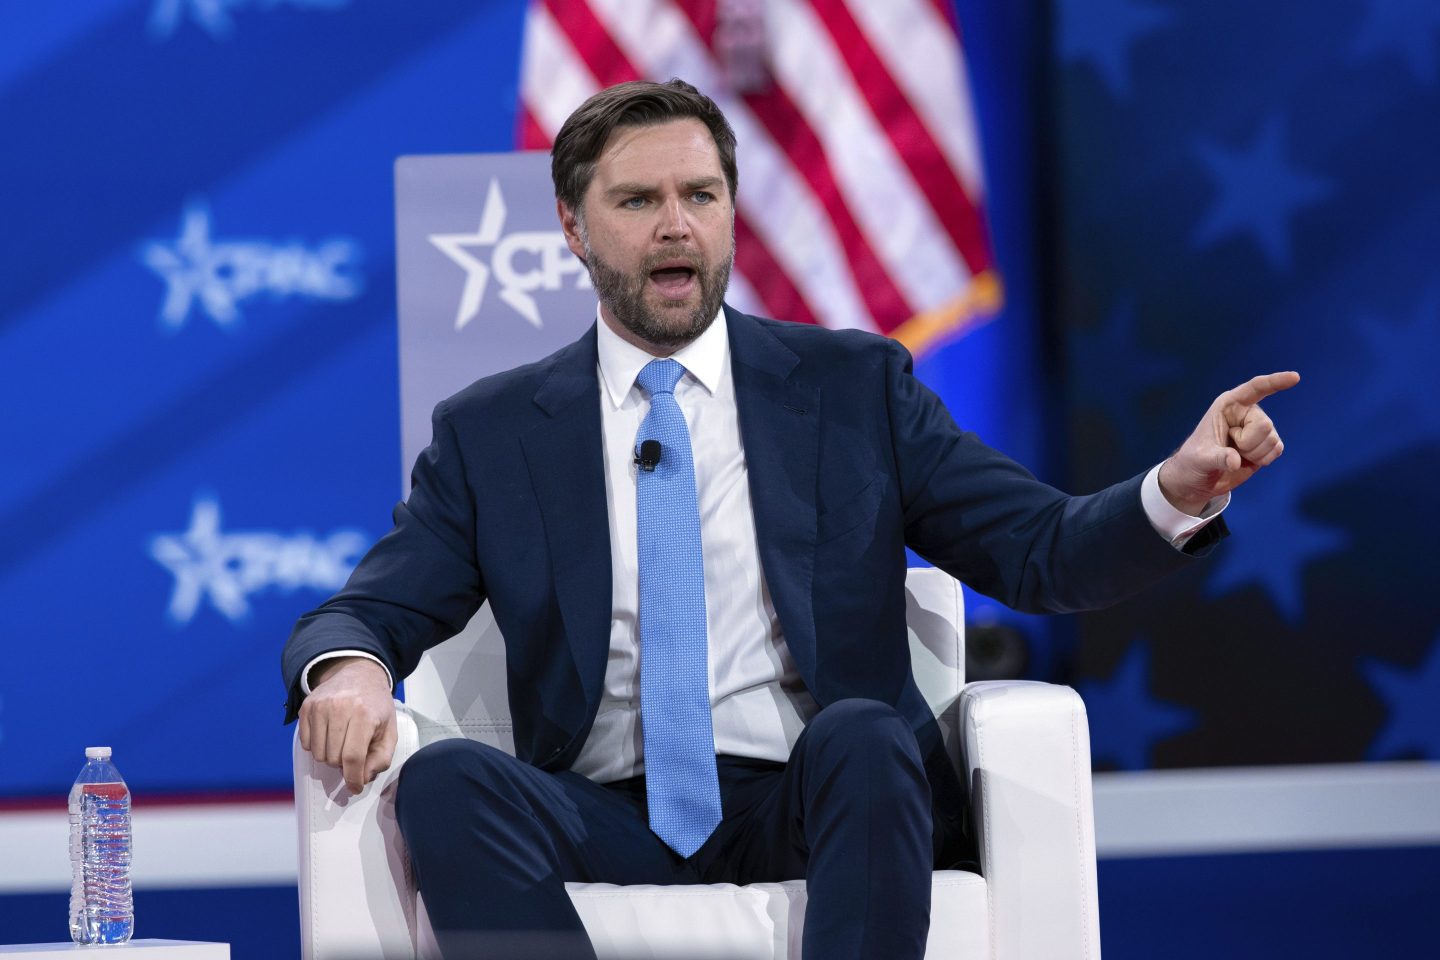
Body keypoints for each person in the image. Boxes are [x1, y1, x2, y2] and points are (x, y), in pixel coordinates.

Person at [282, 79, 1296, 959]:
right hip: (603, 812)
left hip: (815, 805)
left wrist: (1174, 491)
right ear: (573, 227)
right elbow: (370, 607)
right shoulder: (493, 430)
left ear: (730, 215)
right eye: (637, 200)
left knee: (861, 735)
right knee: (451, 782)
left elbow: (1039, 552)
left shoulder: (855, 387)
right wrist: (355, 667)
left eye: (700, 196)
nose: (675, 225)